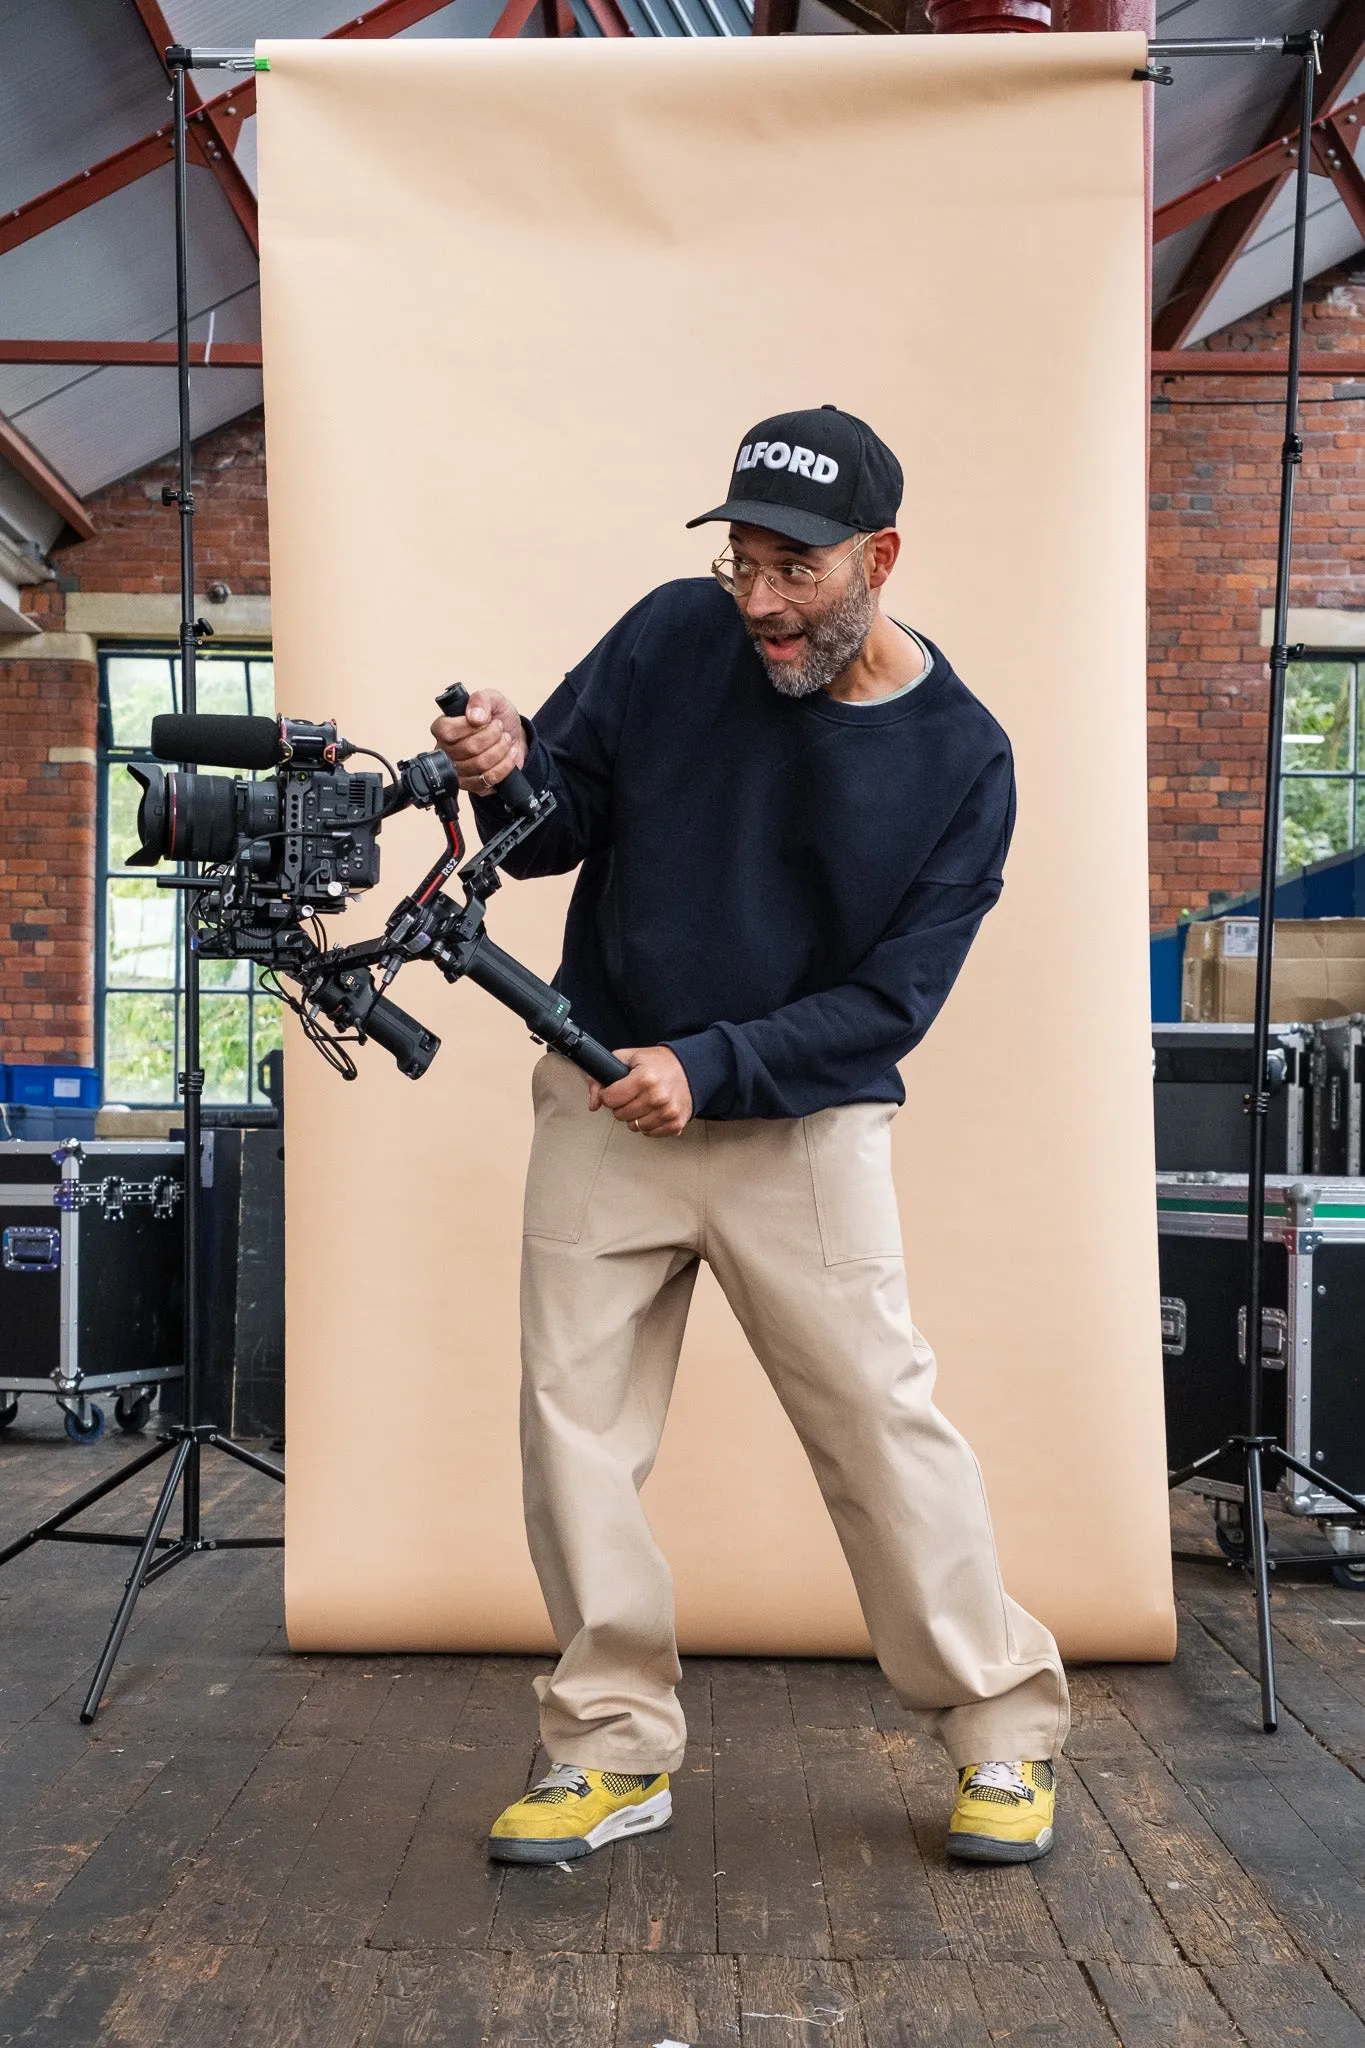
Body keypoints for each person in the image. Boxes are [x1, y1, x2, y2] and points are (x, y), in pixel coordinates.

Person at [432, 405, 1069, 1871]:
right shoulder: (674, 635)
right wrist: (504, 766)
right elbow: (555, 821)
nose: (762, 604)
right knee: (572, 1435)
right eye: (742, 564)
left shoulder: (965, 760)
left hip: (801, 1129)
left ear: (880, 559)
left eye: (795, 571)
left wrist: (708, 1065)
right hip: (604, 1101)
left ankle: (1004, 1736)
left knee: (882, 1431)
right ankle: (609, 1752)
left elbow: (890, 1005)